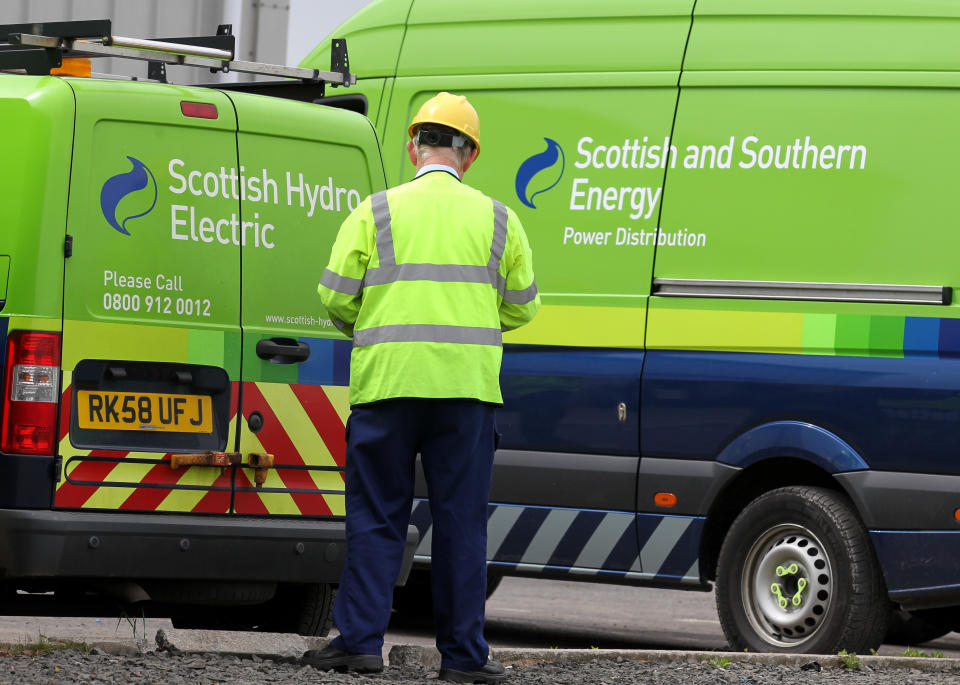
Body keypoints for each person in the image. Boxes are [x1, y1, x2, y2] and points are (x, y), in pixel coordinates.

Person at [303, 92, 539, 682]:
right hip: (466, 395)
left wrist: (374, 324)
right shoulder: (500, 219)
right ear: (470, 154)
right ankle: (463, 658)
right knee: (461, 523)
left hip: (387, 387)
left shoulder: (375, 211)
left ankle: (359, 643)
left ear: (414, 146)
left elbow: (334, 294)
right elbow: (522, 307)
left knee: (377, 516)